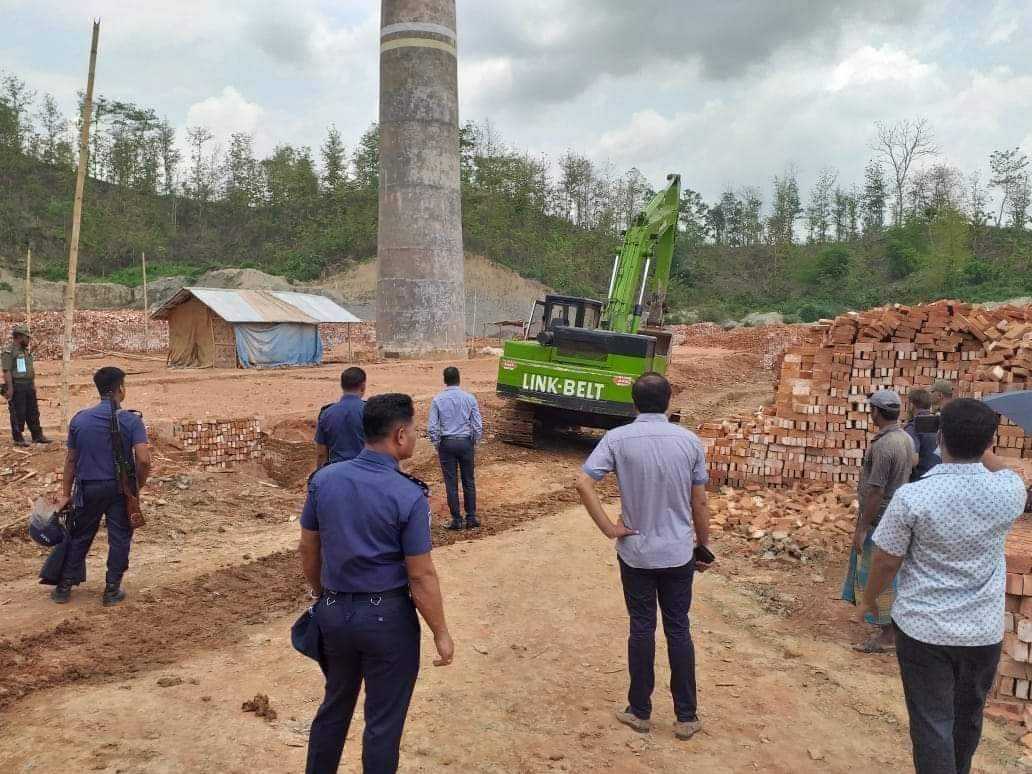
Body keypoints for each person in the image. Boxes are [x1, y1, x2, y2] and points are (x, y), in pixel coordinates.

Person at [858, 399, 1026, 774]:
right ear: (989, 442)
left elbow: (886, 560)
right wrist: (985, 449)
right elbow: (1006, 471)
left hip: (925, 630)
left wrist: (869, 601)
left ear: (941, 438)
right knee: (968, 717)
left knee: (932, 722)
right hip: (982, 631)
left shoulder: (914, 497)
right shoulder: (1009, 491)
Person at [300, 393, 454, 773]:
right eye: (415, 431)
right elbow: (420, 574)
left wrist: (322, 595)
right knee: (383, 725)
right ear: (400, 435)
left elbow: (308, 549)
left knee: (334, 708)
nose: (417, 438)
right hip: (387, 619)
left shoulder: (324, 481)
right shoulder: (409, 495)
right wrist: (441, 632)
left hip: (334, 614)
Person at [575, 372, 711, 741]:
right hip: (678, 552)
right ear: (668, 400)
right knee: (678, 628)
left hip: (636, 552)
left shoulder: (617, 440)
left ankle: (640, 710)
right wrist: (704, 544)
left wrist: (608, 527)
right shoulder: (689, 441)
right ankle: (686, 716)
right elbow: (699, 500)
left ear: (633, 403)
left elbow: (583, 482)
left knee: (641, 627)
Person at [52, 366, 151, 605]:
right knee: (119, 538)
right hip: (119, 489)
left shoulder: (79, 419)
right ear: (120, 389)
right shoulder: (130, 421)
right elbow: (144, 460)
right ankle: (111, 589)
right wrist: (136, 486)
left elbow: (71, 460)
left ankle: (64, 586)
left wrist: (65, 493)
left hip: (87, 488)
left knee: (80, 535)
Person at [842, 389, 914, 653]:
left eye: (871, 409)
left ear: (876, 412)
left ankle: (887, 635)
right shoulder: (905, 438)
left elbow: (876, 490)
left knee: (877, 572)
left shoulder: (884, 446)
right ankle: (891, 627)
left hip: (881, 518)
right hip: (896, 514)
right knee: (892, 573)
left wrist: (862, 528)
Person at [428, 366, 483, 530]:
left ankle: (457, 520)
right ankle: (471, 517)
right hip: (465, 442)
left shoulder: (438, 400)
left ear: (444, 380)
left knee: (451, 483)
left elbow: (432, 427)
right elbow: (477, 425)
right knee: (469, 480)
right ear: (459, 379)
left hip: (447, 443)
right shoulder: (469, 398)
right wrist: (474, 441)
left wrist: (438, 444)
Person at [3, 324, 50, 447]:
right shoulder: (9, 352)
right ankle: (18, 438)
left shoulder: (25, 352)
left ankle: (37, 435)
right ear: (18, 337)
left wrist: (32, 385)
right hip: (17, 386)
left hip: (28, 385)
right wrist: (10, 388)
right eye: (26, 337)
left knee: (33, 412)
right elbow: (6, 371)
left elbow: (29, 371)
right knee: (18, 412)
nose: (28, 340)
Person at [315, 367, 367, 468]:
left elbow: (321, 454)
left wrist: (319, 475)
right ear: (363, 386)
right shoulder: (371, 411)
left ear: (342, 386)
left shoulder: (326, 413)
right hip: (364, 470)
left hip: (336, 471)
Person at [903, 388, 941, 481]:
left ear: (911, 405)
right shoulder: (939, 423)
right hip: (939, 479)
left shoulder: (913, 427)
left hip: (920, 481)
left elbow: (913, 460)